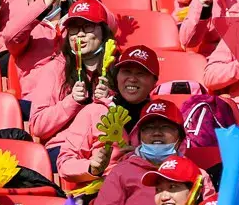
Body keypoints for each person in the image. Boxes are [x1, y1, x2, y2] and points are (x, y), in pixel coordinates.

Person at [92, 102, 217, 205]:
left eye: (165, 127)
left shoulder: (198, 175)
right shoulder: (121, 171)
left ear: (180, 136)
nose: (156, 132)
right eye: (149, 128)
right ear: (139, 136)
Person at [56, 45, 161, 185]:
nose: (132, 79)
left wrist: (148, 159)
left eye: (141, 73)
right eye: (126, 72)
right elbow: (64, 163)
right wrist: (92, 167)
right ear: (117, 76)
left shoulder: (162, 116)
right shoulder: (94, 111)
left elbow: (177, 159)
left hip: (148, 190)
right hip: (101, 190)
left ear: (155, 82)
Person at [27, 0, 115, 143]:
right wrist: (71, 101)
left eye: (88, 26)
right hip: (64, 147)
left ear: (103, 31)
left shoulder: (118, 69)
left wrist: (109, 102)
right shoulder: (55, 69)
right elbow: (37, 126)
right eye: (74, 28)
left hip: (105, 146)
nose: (80, 34)